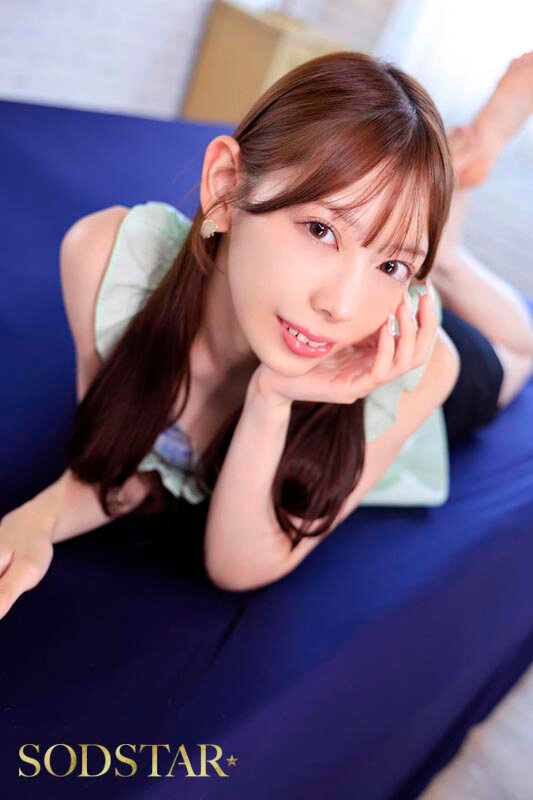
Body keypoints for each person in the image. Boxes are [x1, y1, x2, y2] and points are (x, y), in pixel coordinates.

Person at [1, 50, 532, 619]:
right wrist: (35, 521)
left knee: (519, 355)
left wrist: (272, 396)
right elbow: (123, 458)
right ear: (226, 186)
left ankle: (440, 258)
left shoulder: (420, 370)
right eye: (321, 229)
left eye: (392, 264)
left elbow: (237, 566)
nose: (340, 306)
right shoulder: (104, 259)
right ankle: (427, 248)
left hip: (398, 356)